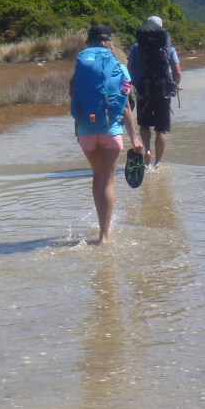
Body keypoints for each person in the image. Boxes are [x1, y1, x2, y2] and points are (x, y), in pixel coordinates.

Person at [69, 24, 143, 243]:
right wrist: (134, 138)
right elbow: (125, 106)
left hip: (86, 132)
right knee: (109, 181)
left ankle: (101, 226)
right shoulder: (119, 67)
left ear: (88, 42)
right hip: (111, 131)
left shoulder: (81, 66)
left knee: (97, 177)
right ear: (110, 41)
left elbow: (73, 95)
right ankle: (104, 235)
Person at [126, 15, 182, 170]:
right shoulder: (168, 47)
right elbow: (177, 71)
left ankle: (147, 153)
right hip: (163, 92)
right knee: (161, 129)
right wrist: (174, 86)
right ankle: (158, 162)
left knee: (144, 125)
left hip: (143, 91)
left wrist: (133, 85)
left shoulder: (136, 46)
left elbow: (128, 67)